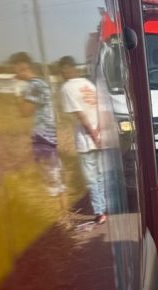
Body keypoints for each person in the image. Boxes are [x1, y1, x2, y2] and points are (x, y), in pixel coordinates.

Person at [58, 56, 106, 224]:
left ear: (65, 70)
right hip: (100, 135)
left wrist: (93, 134)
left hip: (87, 140)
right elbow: (101, 108)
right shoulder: (88, 84)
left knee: (92, 177)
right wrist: (100, 131)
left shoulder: (67, 88)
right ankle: (104, 207)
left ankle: (100, 212)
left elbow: (80, 114)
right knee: (100, 175)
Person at [11, 51, 65, 197]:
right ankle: (64, 208)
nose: (14, 74)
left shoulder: (34, 85)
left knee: (50, 174)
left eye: (15, 70)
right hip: (48, 130)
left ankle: (60, 207)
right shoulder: (41, 83)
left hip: (43, 132)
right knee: (54, 170)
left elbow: (25, 111)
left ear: (22, 67)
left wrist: (16, 91)